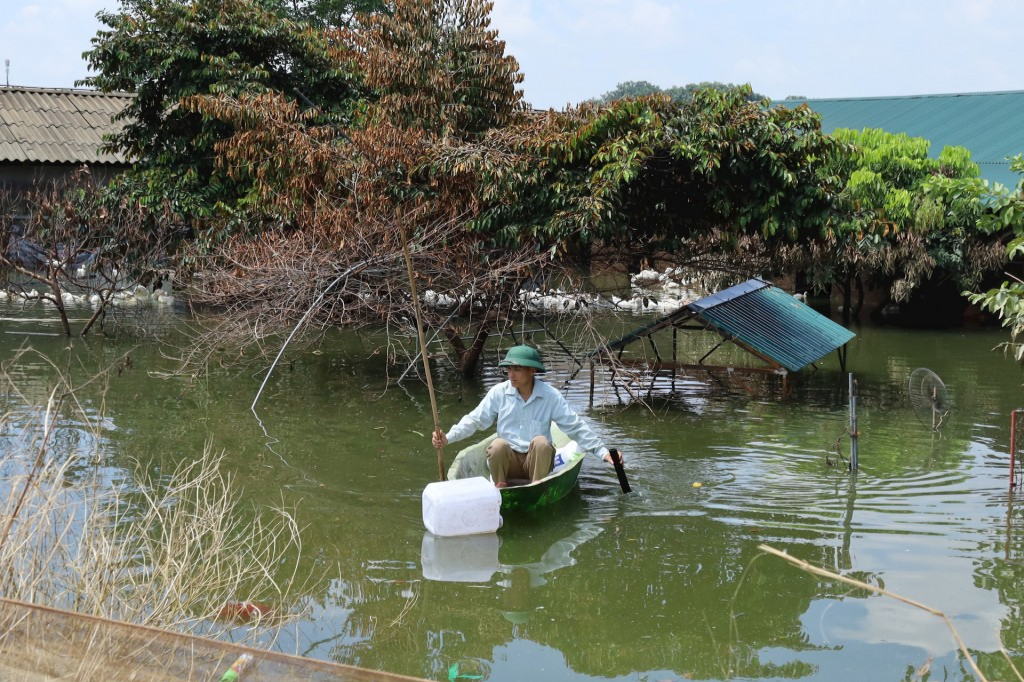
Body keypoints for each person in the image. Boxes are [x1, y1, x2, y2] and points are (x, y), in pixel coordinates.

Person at [431, 345, 622, 488]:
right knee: (498, 445)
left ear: (532, 371)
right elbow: (475, 420)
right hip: (508, 464)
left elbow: (575, 427)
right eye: (509, 369)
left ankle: (537, 487)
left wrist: (604, 453)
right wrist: (447, 437)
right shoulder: (499, 393)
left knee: (541, 442)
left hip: (536, 463)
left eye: (517, 369)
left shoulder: (550, 396)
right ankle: (500, 488)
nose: (511, 375)